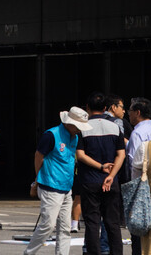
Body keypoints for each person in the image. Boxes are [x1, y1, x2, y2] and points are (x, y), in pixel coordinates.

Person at [23, 106, 93, 255]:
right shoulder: (51, 135)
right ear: (69, 123)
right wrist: (37, 178)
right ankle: (29, 253)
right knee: (47, 225)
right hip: (50, 185)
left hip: (66, 187)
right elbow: (38, 156)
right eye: (78, 127)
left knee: (65, 228)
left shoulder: (74, 137)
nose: (79, 130)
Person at [76, 92, 125, 255]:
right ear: (105, 108)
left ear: (87, 108)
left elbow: (80, 155)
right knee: (113, 223)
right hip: (111, 182)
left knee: (92, 223)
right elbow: (121, 154)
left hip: (90, 181)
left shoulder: (83, 128)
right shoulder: (115, 127)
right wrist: (111, 175)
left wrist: (100, 166)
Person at [126, 97, 151, 255]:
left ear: (137, 112)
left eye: (130, 111)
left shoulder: (137, 133)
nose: (128, 114)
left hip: (141, 187)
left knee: (139, 228)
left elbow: (134, 164)